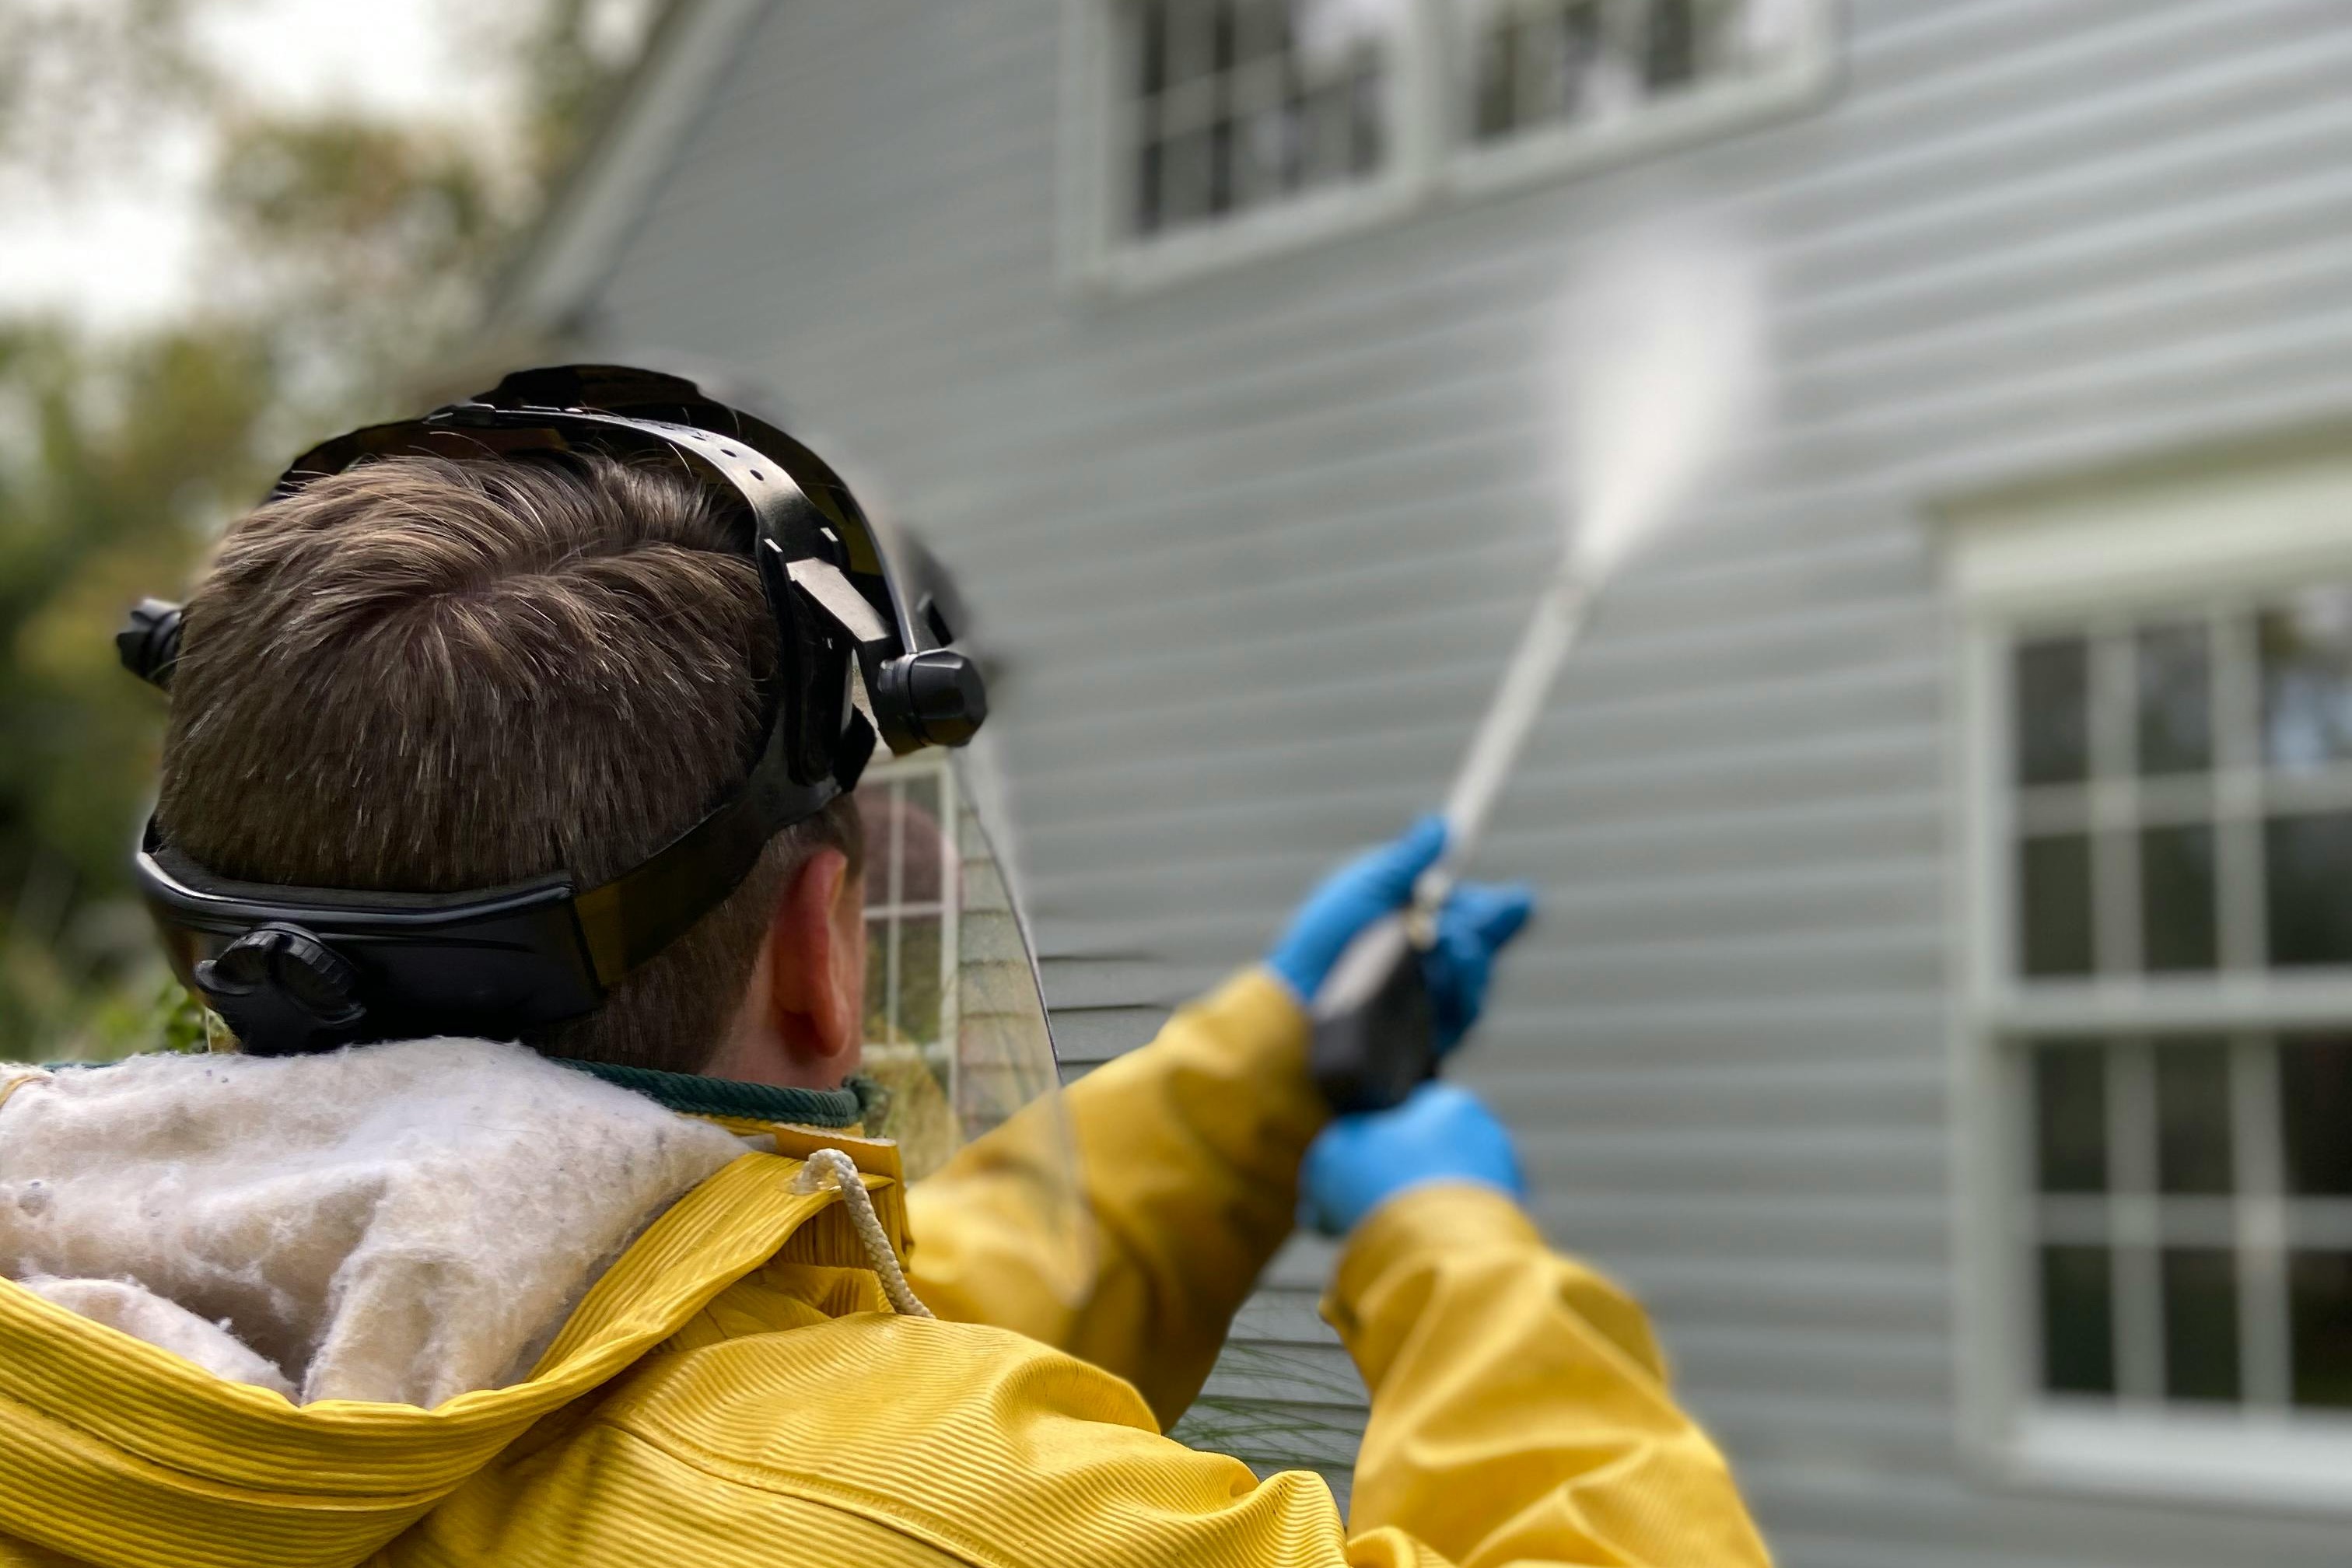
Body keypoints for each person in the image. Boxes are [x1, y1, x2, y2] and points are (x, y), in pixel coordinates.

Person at [0, 380, 1769, 1566]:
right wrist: (1457, 1252)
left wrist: (1259, 1079)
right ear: (821, 952)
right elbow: (856, 1464)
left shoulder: (125, 1333)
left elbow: (769, 1366)